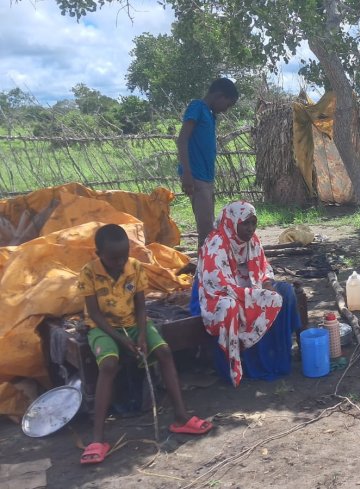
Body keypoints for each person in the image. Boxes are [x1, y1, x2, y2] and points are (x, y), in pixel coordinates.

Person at [78, 224, 212, 465]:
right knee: (108, 365)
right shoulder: (88, 272)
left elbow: (141, 306)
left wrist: (140, 334)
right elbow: (95, 315)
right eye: (113, 258)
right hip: (103, 329)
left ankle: (181, 418)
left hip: (134, 324)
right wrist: (121, 339)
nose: (120, 262)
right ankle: (97, 438)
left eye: (123, 256)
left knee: (164, 351)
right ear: (98, 254)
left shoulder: (135, 267)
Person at [196, 201, 301, 387]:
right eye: (246, 223)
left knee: (286, 291)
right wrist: (252, 296)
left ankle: (278, 356)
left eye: (254, 223)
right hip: (218, 294)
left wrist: (267, 283)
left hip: (249, 289)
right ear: (232, 222)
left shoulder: (252, 241)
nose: (251, 229)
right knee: (233, 307)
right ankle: (243, 366)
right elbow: (217, 283)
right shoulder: (216, 243)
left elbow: (263, 268)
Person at [177, 77, 239, 250]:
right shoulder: (197, 107)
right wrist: (187, 173)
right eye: (227, 104)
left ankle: (206, 270)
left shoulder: (210, 114)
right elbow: (182, 139)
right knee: (206, 230)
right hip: (196, 176)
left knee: (209, 227)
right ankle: (204, 273)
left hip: (206, 177)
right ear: (219, 95)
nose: (226, 110)